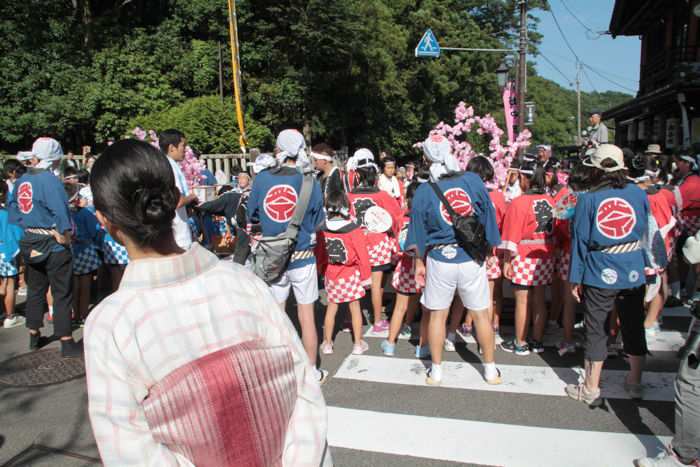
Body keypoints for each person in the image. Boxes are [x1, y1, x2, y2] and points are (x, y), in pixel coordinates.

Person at [84, 139, 331, 466]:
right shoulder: (243, 283)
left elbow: (131, 454)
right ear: (175, 198)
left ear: (104, 220)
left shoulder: (110, 326)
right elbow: (304, 397)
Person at [407, 133, 502, 386]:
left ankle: (436, 371)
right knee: (481, 313)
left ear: (426, 157)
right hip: (471, 256)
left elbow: (417, 229)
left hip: (440, 258)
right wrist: (491, 249)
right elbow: (488, 216)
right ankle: (491, 370)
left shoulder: (425, 190)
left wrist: (418, 261)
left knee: (438, 315)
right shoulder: (472, 180)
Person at [566, 144, 650, 404]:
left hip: (600, 267)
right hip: (633, 265)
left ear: (596, 169)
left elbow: (579, 241)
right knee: (633, 322)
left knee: (596, 327)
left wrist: (575, 278)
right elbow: (645, 229)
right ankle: (635, 381)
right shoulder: (638, 194)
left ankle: (591, 388)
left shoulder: (588, 199)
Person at [247, 129, 327, 383]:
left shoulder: (261, 179)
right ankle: (312, 370)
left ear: (278, 149)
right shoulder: (309, 181)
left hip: (273, 254)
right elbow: (318, 221)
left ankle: (278, 370)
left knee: (276, 316)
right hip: (303, 255)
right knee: (307, 316)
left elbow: (252, 215)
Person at [7, 137, 80, 357]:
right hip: (52, 242)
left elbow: (13, 210)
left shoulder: (21, 180)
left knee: (36, 289)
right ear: (53, 159)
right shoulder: (50, 180)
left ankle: (33, 334)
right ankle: (66, 340)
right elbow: (60, 210)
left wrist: (29, 227)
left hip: (30, 240)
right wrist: (63, 233)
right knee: (61, 291)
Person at [499, 159, 556, 355]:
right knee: (540, 299)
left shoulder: (520, 202)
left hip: (524, 255)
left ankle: (520, 342)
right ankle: (538, 341)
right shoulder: (550, 201)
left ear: (524, 178)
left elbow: (511, 234)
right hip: (545, 255)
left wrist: (507, 260)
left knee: (522, 300)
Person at [346, 149, 403, 333]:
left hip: (356, 242)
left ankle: (351, 320)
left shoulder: (349, 197)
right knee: (376, 286)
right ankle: (378, 321)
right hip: (377, 242)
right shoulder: (382, 196)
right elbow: (396, 219)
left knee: (354, 283)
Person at [318, 189, 371, 356]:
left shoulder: (322, 227)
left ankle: (327, 343)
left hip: (331, 272)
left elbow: (319, 252)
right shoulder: (353, 229)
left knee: (331, 307)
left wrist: (321, 269)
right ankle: (357, 344)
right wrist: (366, 277)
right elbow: (362, 254)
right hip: (350, 273)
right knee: (355, 307)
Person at [381, 181, 422, 356]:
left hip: (405, 266)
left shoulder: (400, 219)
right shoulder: (426, 220)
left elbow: (396, 243)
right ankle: (422, 346)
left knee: (400, 307)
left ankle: (390, 344)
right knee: (427, 308)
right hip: (425, 269)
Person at [65, 183, 102, 326]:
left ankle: (74, 315)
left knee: (74, 284)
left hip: (70, 250)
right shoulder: (85, 213)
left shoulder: (63, 213)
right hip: (85, 249)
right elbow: (94, 231)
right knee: (86, 284)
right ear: (75, 199)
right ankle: (84, 314)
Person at [159, 129, 198, 250]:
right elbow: (178, 201)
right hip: (179, 236)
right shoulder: (171, 167)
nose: (185, 149)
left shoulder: (164, 164)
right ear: (171, 147)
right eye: (183, 145)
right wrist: (192, 197)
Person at [0, 181, 24, 329]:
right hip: (4, 251)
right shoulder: (6, 214)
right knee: (9, 284)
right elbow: (15, 235)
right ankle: (10, 316)